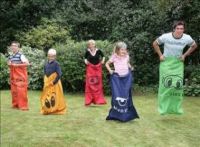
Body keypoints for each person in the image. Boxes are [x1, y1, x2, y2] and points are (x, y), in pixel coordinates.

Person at [152, 20, 197, 114]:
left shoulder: (187, 38)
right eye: (177, 28)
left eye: (181, 28)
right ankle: (163, 109)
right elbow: (155, 43)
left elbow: (194, 46)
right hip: (166, 62)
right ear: (174, 29)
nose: (179, 30)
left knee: (177, 86)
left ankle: (176, 109)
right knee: (165, 85)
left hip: (178, 63)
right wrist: (160, 55)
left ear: (184, 29)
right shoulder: (166, 36)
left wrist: (184, 55)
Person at [105, 41, 139, 122]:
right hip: (117, 79)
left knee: (126, 95)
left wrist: (131, 67)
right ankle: (116, 113)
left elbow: (127, 63)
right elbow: (107, 64)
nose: (124, 51)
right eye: (122, 50)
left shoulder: (127, 56)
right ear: (117, 50)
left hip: (126, 78)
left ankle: (126, 112)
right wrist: (110, 70)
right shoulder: (114, 56)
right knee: (117, 96)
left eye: (125, 49)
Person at [40, 48, 67, 114]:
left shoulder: (56, 64)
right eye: (49, 56)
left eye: (53, 56)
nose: (51, 57)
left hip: (55, 84)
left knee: (55, 97)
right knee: (46, 96)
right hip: (47, 83)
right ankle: (48, 109)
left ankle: (56, 109)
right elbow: (45, 73)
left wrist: (54, 82)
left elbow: (59, 74)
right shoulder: (46, 64)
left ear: (55, 56)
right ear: (48, 56)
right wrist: (46, 81)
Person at [8, 41, 29, 110]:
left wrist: (17, 65)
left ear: (18, 48)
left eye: (15, 46)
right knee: (14, 91)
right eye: (12, 46)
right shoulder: (11, 56)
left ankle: (23, 106)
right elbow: (10, 64)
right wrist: (9, 64)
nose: (13, 47)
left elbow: (27, 64)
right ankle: (15, 104)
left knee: (21, 91)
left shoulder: (21, 55)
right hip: (13, 77)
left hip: (20, 76)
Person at [84, 39, 107, 106]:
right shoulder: (87, 52)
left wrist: (103, 61)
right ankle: (89, 100)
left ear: (94, 45)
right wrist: (85, 61)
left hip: (97, 69)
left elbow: (103, 56)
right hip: (90, 69)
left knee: (97, 83)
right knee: (90, 83)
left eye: (92, 44)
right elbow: (85, 58)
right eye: (89, 44)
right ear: (88, 45)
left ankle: (98, 100)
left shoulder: (98, 51)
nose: (91, 45)